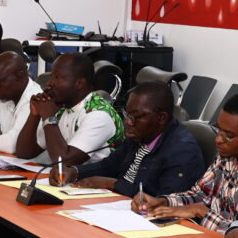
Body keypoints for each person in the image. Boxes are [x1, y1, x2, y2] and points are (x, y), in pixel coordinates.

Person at [133, 90, 238, 230]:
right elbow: (200, 194)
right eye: (219, 130)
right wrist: (163, 202)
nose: (218, 139)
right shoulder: (228, 154)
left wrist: (202, 213)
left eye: (228, 136)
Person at [66, 83, 205, 198]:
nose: (128, 122)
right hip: (118, 204)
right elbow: (109, 165)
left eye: (136, 116)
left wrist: (112, 184)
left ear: (161, 118)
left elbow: (165, 201)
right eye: (127, 114)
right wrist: (74, 171)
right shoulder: (142, 135)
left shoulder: (182, 152)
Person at [13, 53, 124, 173]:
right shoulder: (62, 108)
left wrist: (49, 117)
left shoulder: (98, 114)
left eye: (57, 77)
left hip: (100, 182)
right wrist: (34, 114)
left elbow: (65, 162)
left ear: (79, 83)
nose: (50, 83)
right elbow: (24, 153)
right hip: (70, 180)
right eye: (51, 76)